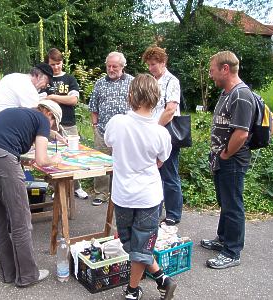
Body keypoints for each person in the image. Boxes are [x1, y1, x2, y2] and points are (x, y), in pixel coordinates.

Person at [0, 100, 63, 286]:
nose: (50, 127)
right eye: (53, 124)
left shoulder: (17, 112)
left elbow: (7, 140)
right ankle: (28, 276)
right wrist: (55, 159)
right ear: (50, 115)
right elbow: (42, 160)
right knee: (20, 221)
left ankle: (8, 274)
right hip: (0, 160)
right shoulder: (43, 120)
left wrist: (51, 134)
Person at [104, 74, 176, 300]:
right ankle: (162, 278)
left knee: (133, 245)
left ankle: (133, 290)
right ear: (157, 98)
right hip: (148, 196)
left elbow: (109, 142)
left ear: (130, 95)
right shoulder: (160, 133)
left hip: (123, 195)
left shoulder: (117, 122)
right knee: (138, 245)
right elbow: (161, 160)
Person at [201, 51, 255, 269]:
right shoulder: (226, 93)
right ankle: (222, 239)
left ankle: (232, 252)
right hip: (222, 160)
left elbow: (241, 133)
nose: (210, 74)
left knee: (233, 206)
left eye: (212, 69)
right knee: (225, 202)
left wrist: (225, 154)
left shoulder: (241, 95)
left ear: (225, 69)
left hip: (232, 160)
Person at [142, 46, 183, 226]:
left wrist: (155, 128)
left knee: (170, 174)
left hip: (167, 135)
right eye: (149, 65)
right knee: (154, 173)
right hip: (152, 134)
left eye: (153, 64)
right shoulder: (151, 81)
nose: (151, 68)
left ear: (163, 62)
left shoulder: (171, 81)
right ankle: (155, 210)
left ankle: (173, 213)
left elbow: (170, 109)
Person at [88, 51, 134, 206]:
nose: (111, 69)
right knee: (101, 162)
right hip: (102, 130)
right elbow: (93, 107)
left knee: (123, 162)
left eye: (115, 66)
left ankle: (120, 193)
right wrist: (94, 126)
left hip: (125, 133)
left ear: (122, 66)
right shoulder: (99, 83)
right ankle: (101, 193)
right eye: (109, 66)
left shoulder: (132, 82)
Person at [42, 48, 88, 199]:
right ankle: (57, 187)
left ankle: (77, 186)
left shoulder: (69, 79)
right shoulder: (45, 79)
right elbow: (41, 101)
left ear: (62, 63)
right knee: (53, 156)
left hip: (68, 123)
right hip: (49, 126)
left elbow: (73, 100)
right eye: (52, 64)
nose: (56, 67)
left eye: (58, 63)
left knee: (73, 155)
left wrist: (53, 97)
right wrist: (59, 98)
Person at [0, 62, 54, 134]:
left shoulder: (14, 76)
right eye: (46, 82)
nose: (45, 86)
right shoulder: (28, 88)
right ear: (38, 75)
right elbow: (37, 118)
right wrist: (50, 132)